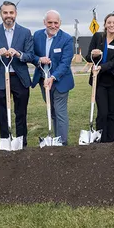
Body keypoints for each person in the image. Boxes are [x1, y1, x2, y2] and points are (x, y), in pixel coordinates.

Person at [0, 1, 34, 147]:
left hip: (20, 78)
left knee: (21, 113)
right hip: (0, 78)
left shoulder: (25, 32)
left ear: (15, 13)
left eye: (11, 12)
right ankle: (6, 142)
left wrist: (19, 54)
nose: (8, 16)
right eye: (5, 13)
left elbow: (30, 55)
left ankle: (21, 142)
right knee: (3, 113)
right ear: (1, 14)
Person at [31, 10, 75, 145]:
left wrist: (53, 77)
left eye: (56, 23)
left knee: (60, 111)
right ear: (45, 22)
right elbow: (31, 55)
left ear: (60, 23)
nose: (53, 25)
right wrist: (39, 59)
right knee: (52, 111)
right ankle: (55, 139)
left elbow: (65, 63)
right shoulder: (37, 36)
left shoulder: (66, 39)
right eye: (50, 22)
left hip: (60, 81)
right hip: (43, 81)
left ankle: (62, 143)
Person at [84, 13, 114, 143]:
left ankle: (110, 141)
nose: (112, 25)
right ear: (105, 24)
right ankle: (101, 140)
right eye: (109, 22)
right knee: (102, 113)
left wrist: (101, 67)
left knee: (113, 113)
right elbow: (88, 57)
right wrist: (94, 54)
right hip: (99, 81)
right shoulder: (98, 37)